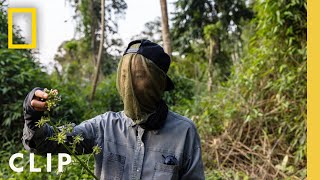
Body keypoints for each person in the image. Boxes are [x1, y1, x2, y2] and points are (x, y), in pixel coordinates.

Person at [22, 39, 205, 179]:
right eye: (125, 75)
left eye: (139, 76)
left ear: (159, 83)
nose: (130, 85)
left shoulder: (184, 132)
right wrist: (32, 115)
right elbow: (43, 144)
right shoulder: (103, 127)